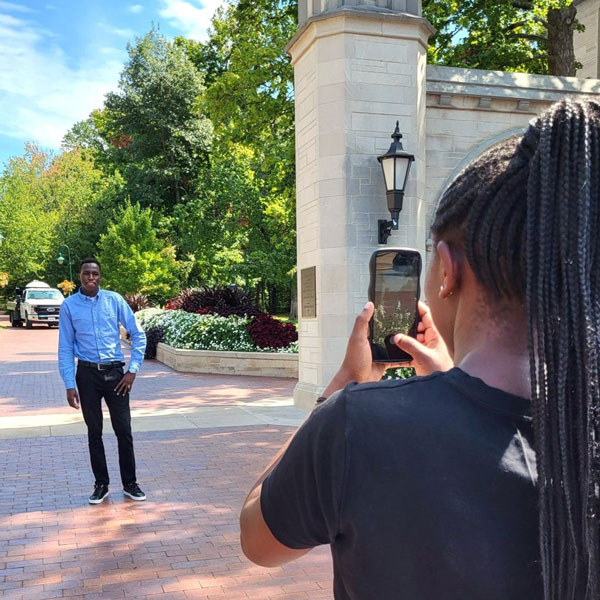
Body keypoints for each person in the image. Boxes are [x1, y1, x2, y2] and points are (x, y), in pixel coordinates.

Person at [240, 99, 600, 600]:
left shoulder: (357, 426)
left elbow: (258, 540)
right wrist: (455, 379)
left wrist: (343, 385)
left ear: (449, 271)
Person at [58, 258, 147, 505]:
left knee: (124, 431)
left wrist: (132, 371)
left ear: (100, 276)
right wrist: (69, 384)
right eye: (86, 273)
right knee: (94, 432)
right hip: (86, 376)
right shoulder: (69, 306)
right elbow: (65, 347)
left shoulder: (114, 300)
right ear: (80, 276)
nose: (91, 278)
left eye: (95, 273)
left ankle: (130, 483)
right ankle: (101, 484)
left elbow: (138, 334)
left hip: (116, 375)